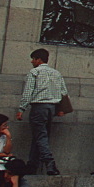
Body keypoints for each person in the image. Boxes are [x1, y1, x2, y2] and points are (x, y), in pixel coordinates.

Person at [15, 48, 67, 176]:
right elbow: (63, 92)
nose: (32, 62)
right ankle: (32, 164)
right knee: (39, 136)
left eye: (33, 59)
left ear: (39, 59)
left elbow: (28, 91)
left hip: (39, 107)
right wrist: (61, 109)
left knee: (40, 136)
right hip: (52, 107)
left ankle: (50, 163)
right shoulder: (56, 73)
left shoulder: (34, 72)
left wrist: (22, 108)